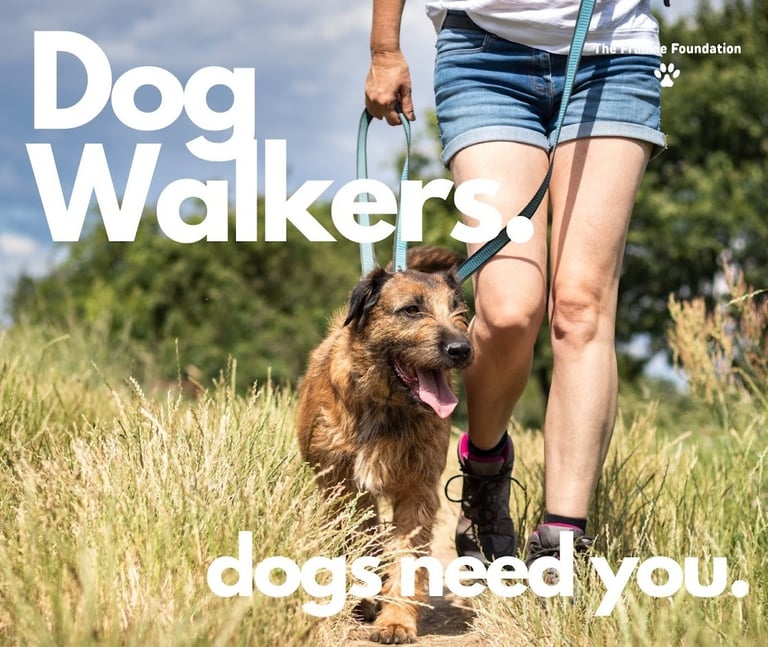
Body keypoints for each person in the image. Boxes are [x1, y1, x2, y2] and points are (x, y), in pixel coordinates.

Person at [364, 0, 666, 565]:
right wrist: (385, 49)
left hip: (613, 53)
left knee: (580, 307)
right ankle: (484, 470)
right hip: (485, 55)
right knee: (506, 312)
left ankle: (562, 539)